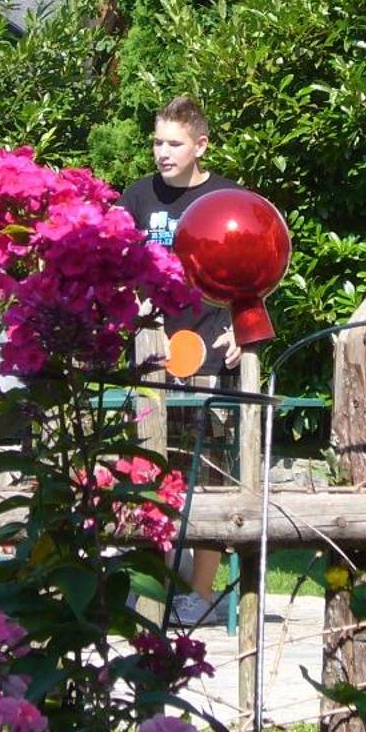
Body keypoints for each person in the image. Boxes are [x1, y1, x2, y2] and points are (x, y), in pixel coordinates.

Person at [122, 96, 243, 629]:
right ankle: (158, 583)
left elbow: (253, 272)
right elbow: (117, 265)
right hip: (148, 359)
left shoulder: (227, 198)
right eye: (157, 142)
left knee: (210, 478)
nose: (163, 153)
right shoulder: (138, 197)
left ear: (201, 145)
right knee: (149, 473)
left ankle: (200, 596)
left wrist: (246, 324)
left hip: (210, 354)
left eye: (174, 143)